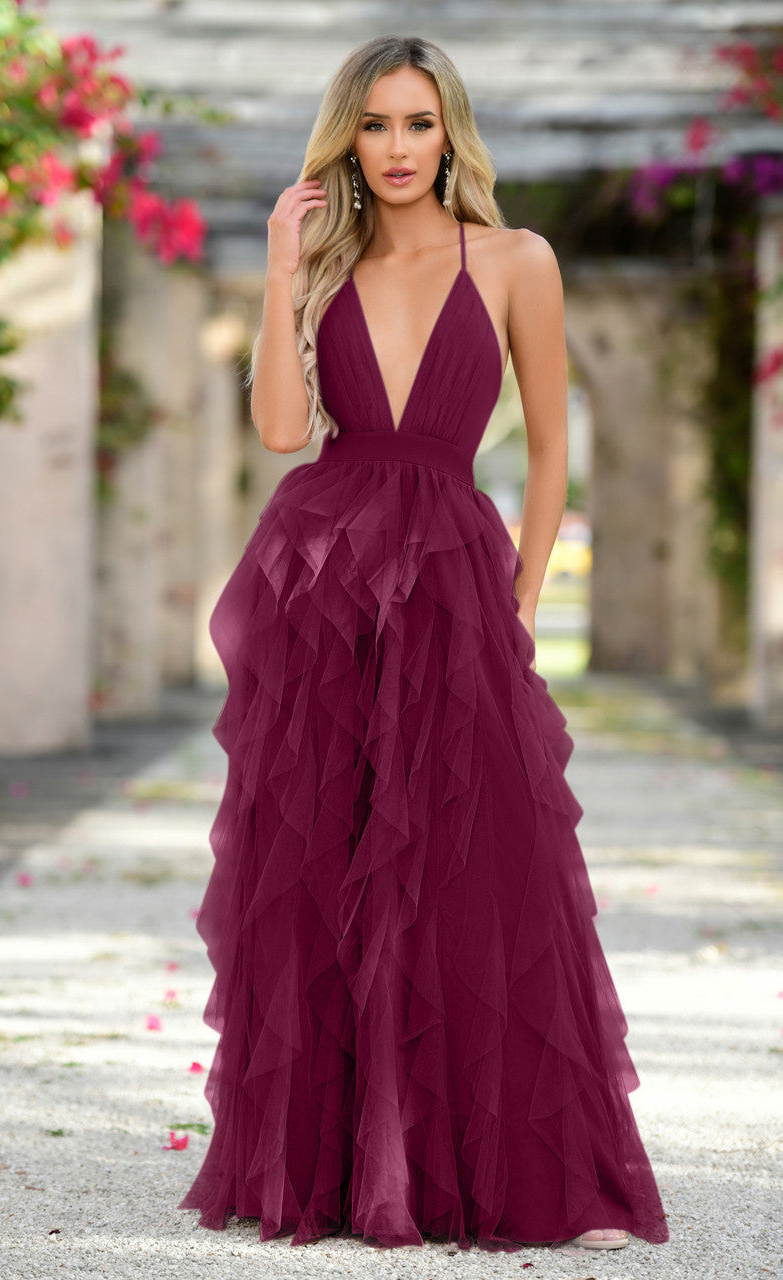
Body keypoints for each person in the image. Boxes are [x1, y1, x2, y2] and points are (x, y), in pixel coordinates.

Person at [178, 33, 670, 1257]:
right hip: (323, 586)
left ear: (449, 132)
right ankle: (343, 1169)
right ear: (345, 138)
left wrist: (522, 600)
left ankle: (513, 1167)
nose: (396, 147)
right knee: (325, 862)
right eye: (374, 124)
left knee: (479, 858)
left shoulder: (515, 259)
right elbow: (284, 431)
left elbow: (549, 448)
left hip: (454, 582)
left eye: (417, 122)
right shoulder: (325, 262)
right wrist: (281, 265)